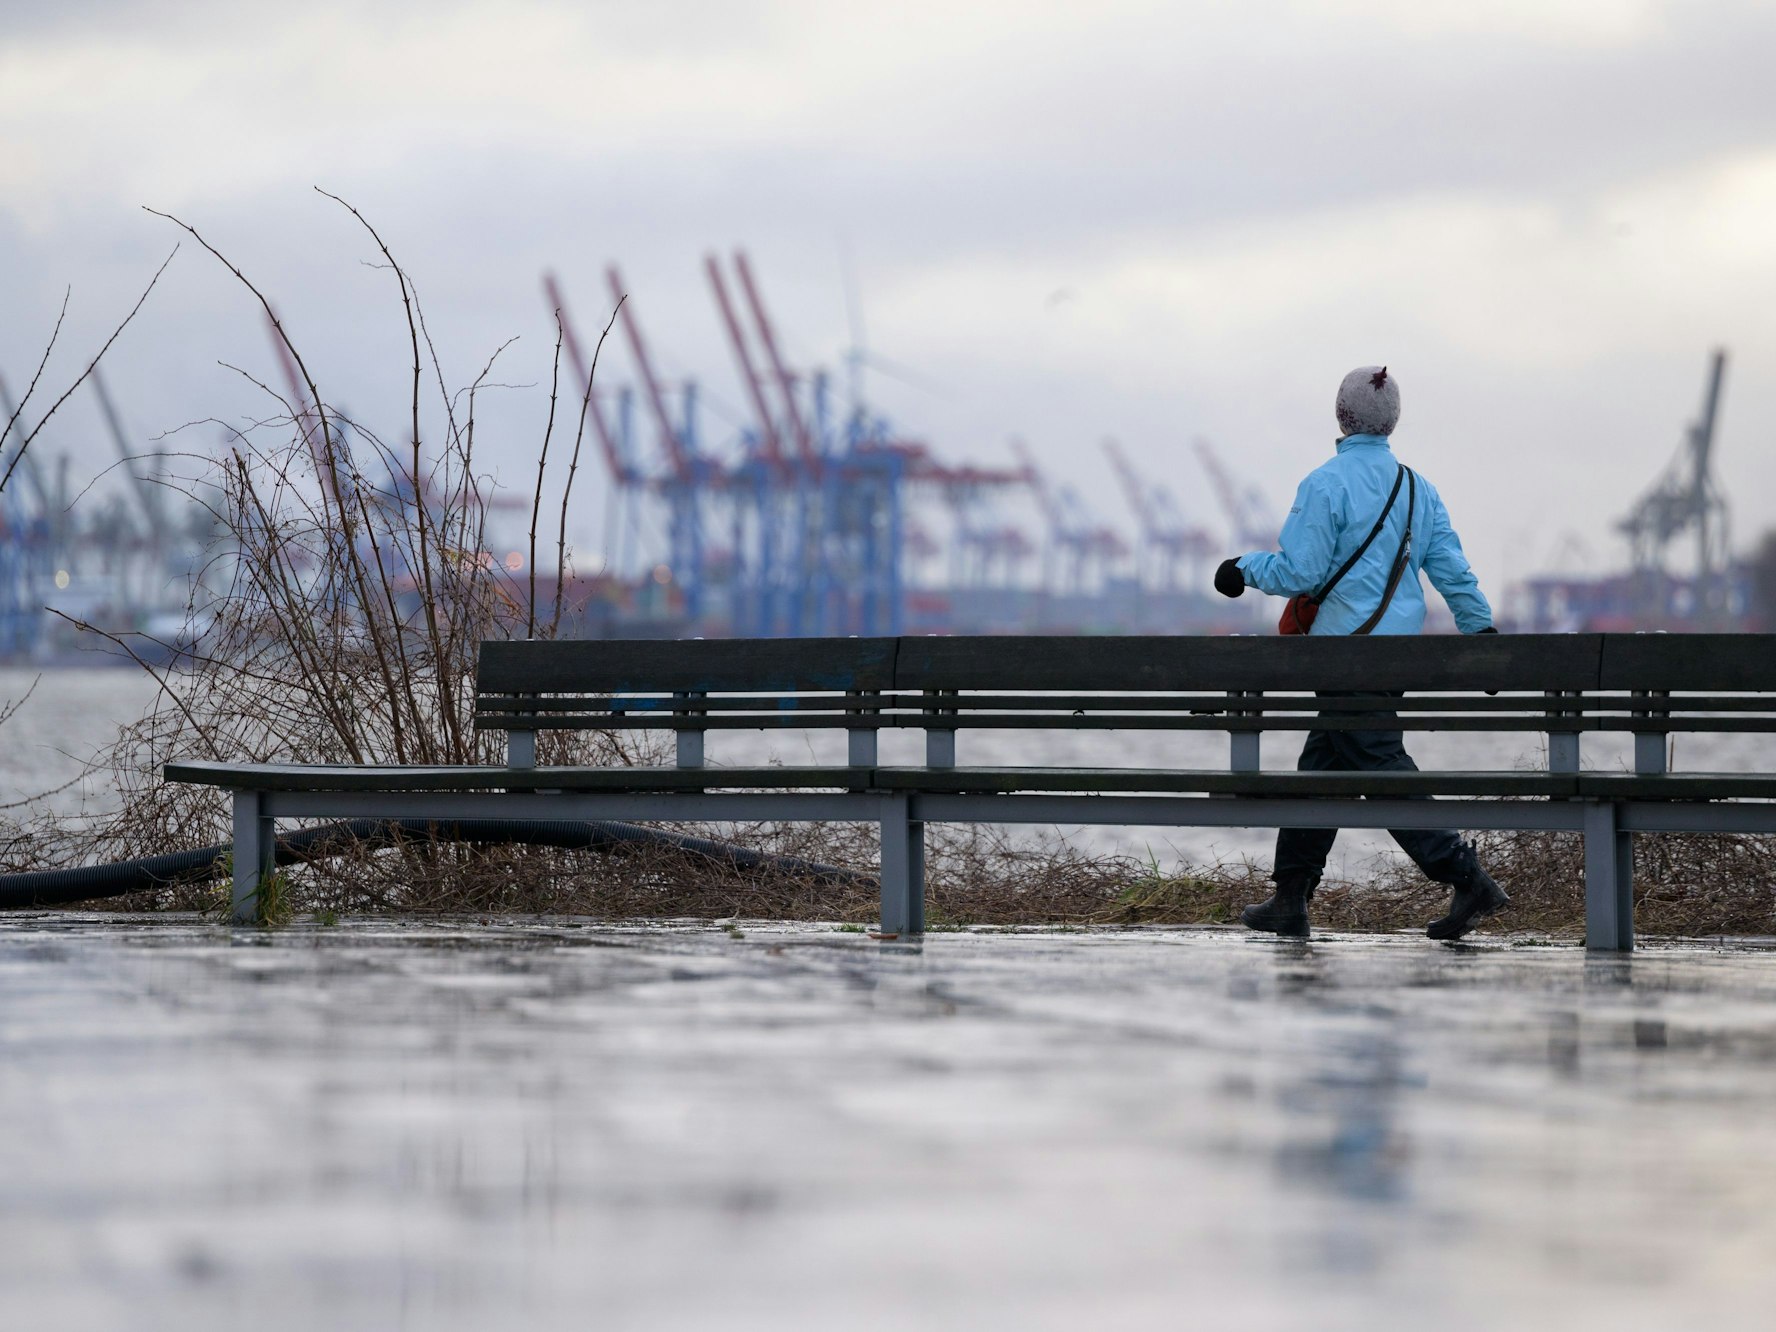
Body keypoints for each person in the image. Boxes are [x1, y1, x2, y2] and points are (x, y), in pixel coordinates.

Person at [1212, 365, 1509, 941]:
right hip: (1394, 657)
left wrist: (1241, 569)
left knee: (1378, 764)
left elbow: (1301, 570)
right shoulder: (1420, 489)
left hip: (1342, 658)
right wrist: (1481, 635)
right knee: (1321, 769)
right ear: (1391, 421)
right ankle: (1290, 899)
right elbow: (1451, 570)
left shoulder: (1325, 484)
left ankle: (1466, 875)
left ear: (1342, 416)